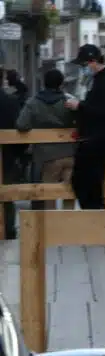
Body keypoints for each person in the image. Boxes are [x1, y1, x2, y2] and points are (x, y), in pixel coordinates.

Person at [65, 44, 105, 210]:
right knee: (84, 184)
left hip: (97, 141)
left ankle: (97, 222)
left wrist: (80, 106)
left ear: (93, 62)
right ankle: (94, 220)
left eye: (84, 65)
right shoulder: (99, 80)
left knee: (88, 184)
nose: (83, 69)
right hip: (92, 139)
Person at [16, 69, 78, 211]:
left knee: (49, 195)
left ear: (44, 83)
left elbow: (21, 124)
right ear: (61, 84)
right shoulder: (69, 101)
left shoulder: (33, 102)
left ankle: (51, 227)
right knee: (70, 192)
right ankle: (68, 224)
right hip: (70, 154)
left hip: (46, 156)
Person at [0, 76, 22, 239]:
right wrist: (19, 153)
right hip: (7, 154)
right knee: (7, 194)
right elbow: (19, 127)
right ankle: (8, 229)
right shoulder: (11, 102)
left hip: (8, 153)